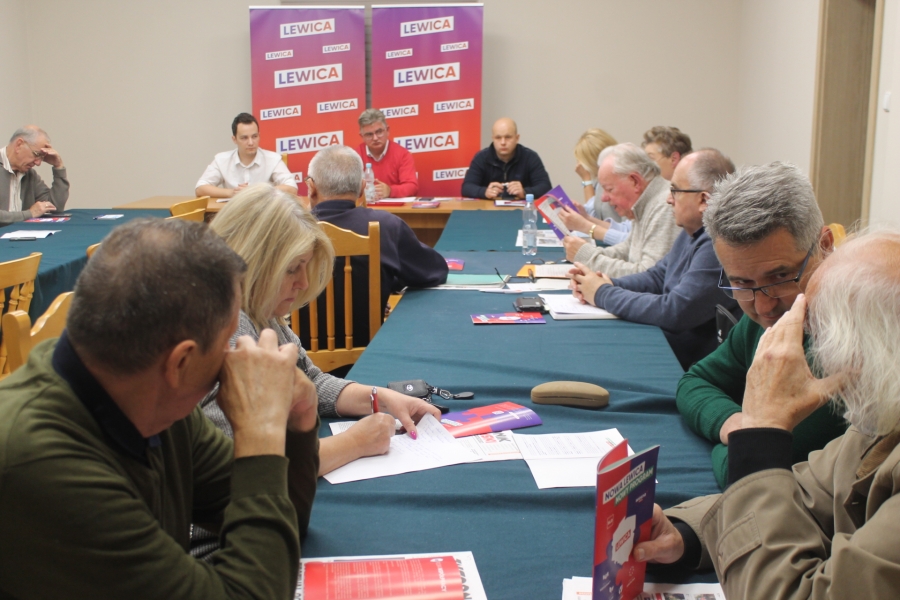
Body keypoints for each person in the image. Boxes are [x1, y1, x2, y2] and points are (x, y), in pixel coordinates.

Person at [0, 218, 320, 598]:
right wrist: (261, 430)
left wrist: (298, 419)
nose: (236, 359)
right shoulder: (42, 465)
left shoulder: (150, 402)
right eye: (228, 344)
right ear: (180, 363)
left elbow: (281, 523)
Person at [634, 229, 900, 599]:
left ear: (866, 353)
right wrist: (687, 535)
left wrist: (761, 433)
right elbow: (808, 496)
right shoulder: (882, 417)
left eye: (817, 333)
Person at [205, 182, 441, 474]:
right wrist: (354, 442)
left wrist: (381, 399)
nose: (303, 282)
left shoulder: (259, 309)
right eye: (292, 268)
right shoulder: (228, 332)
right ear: (253, 262)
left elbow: (310, 381)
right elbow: (243, 466)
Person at [676, 162, 847, 488]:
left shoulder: (852, 343)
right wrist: (733, 424)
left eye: (780, 276)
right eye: (741, 283)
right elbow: (695, 382)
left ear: (825, 246)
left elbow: (744, 476)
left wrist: (735, 444)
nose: (763, 306)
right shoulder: (772, 315)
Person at [569, 149, 740, 370]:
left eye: (675, 191)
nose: (669, 199)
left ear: (703, 200)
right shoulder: (694, 231)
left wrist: (602, 292)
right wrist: (607, 282)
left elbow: (674, 311)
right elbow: (657, 277)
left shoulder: (717, 245)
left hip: (687, 365)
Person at [307, 146, 448, 349]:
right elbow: (435, 271)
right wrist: (386, 280)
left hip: (297, 359)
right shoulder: (386, 226)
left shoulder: (288, 229)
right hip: (369, 354)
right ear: (362, 188)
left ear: (311, 187)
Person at [562, 143, 680, 277]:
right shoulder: (645, 201)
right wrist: (587, 258)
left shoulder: (665, 206)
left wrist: (589, 258)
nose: (603, 198)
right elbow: (627, 249)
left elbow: (648, 276)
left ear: (635, 181)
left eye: (609, 189)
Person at [195, 112, 298, 199]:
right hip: (233, 213)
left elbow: (292, 188)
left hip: (263, 214)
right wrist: (232, 192)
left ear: (259, 136)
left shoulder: (273, 159)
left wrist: (258, 192)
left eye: (254, 136)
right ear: (234, 139)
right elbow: (200, 188)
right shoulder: (222, 160)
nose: (251, 142)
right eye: (244, 138)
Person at [461, 117, 552, 199]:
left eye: (508, 137)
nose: (503, 142)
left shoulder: (530, 157)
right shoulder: (481, 158)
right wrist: (484, 192)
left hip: (521, 210)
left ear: (517, 138)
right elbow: (467, 188)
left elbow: (546, 187)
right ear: (493, 138)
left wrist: (525, 192)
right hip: (489, 210)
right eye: (498, 138)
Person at [0, 125, 69, 226]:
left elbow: (54, 207)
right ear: (19, 145)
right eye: (37, 154)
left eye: (42, 157)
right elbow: (32, 213)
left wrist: (58, 166)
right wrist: (29, 214)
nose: (38, 163)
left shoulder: (29, 174)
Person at [355, 108, 419, 198]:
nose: (375, 138)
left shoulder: (402, 154)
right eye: (369, 134)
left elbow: (412, 187)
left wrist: (390, 191)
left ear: (387, 130)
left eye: (379, 132)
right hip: (365, 205)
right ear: (362, 136)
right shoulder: (355, 156)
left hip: (393, 207)